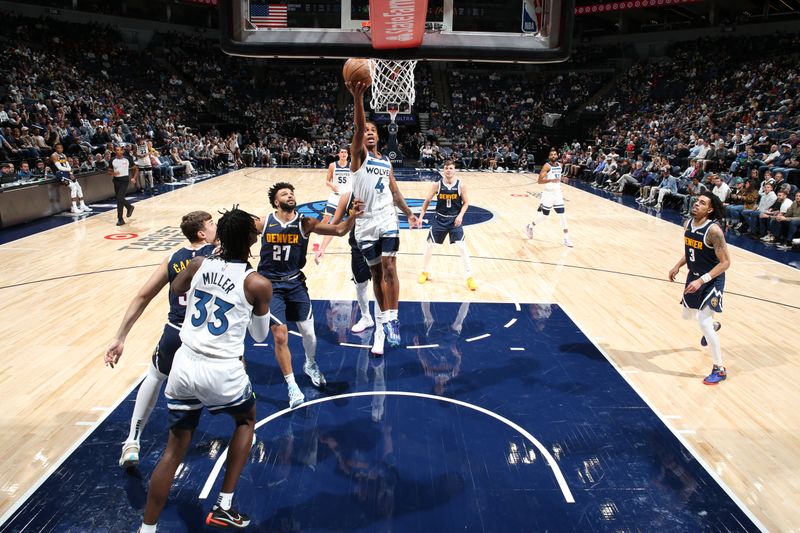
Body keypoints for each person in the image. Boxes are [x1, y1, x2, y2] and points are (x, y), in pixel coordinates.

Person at [139, 207, 273, 532]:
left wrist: (209, 269)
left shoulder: (199, 263)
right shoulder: (256, 282)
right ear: (251, 240)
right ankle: (224, 505)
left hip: (184, 365)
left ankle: (147, 528)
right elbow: (259, 336)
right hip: (221, 369)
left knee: (173, 450)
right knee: (245, 420)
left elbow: (176, 289)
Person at [104, 211, 217, 469]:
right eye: (211, 224)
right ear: (202, 233)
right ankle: (242, 427)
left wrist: (120, 337)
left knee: (154, 377)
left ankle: (132, 441)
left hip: (174, 332)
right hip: (205, 336)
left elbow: (143, 297)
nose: (216, 226)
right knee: (232, 376)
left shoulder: (174, 258)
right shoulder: (218, 255)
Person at [256, 182, 362, 407]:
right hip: (271, 286)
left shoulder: (305, 223)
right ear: (276, 201)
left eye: (292, 192)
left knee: (309, 334)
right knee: (281, 335)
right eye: (285, 194)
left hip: (295, 284)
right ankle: (292, 385)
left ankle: (310, 363)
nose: (290, 195)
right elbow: (236, 233)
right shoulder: (264, 223)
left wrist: (352, 215)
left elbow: (339, 230)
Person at [345, 80, 419, 353]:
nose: (369, 133)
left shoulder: (386, 162)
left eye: (373, 130)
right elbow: (357, 128)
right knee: (376, 272)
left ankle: (393, 319)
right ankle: (384, 318)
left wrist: (410, 213)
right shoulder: (357, 157)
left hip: (387, 216)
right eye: (365, 131)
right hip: (365, 223)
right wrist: (358, 98)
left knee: (390, 267)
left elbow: (396, 192)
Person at [668, 192, 731, 385]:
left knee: (703, 322)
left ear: (709, 210)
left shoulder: (714, 231)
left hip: (712, 279)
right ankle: (713, 327)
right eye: (696, 201)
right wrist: (678, 265)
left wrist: (702, 280)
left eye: (702, 203)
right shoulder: (688, 224)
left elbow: (726, 263)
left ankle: (719, 369)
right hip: (693, 276)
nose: (696, 204)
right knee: (687, 316)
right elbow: (691, 250)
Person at [315, 190, 375, 335]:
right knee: (361, 285)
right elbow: (335, 226)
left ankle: (384, 320)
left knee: (382, 284)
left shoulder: (379, 192)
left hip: (377, 245)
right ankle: (367, 317)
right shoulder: (347, 197)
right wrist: (322, 247)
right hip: (357, 247)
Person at [415, 160, 477, 291]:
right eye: (446, 168)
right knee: (429, 246)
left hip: (454, 221)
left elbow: (466, 203)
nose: (449, 170)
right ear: (443, 170)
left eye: (451, 168)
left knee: (462, 247)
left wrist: (460, 216)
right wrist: (421, 217)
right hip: (440, 220)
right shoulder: (437, 185)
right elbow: (427, 201)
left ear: (454, 170)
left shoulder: (461, 185)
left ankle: (469, 277)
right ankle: (424, 271)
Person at [525, 148, 573, 247]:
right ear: (549, 156)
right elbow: (539, 181)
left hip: (557, 193)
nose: (553, 156)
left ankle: (566, 238)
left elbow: (558, 178)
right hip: (548, 194)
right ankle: (530, 226)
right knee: (545, 216)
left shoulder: (560, 165)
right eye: (551, 155)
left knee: (562, 216)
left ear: (557, 155)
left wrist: (563, 179)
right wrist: (550, 180)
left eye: (555, 154)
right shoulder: (547, 166)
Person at [52, 143, 92, 214]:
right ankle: (74, 207)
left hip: (67, 172)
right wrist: (69, 170)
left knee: (79, 187)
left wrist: (70, 173)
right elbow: (59, 167)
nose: (60, 149)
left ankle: (82, 205)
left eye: (61, 148)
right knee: (73, 187)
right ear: (55, 149)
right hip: (60, 173)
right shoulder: (54, 155)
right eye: (58, 148)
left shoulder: (64, 155)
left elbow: (68, 166)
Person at [109, 145, 137, 226]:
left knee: (119, 198)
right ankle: (120, 219)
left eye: (119, 150)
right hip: (116, 180)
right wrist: (113, 173)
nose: (118, 151)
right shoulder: (112, 160)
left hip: (124, 180)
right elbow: (109, 171)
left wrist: (134, 177)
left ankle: (129, 207)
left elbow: (136, 168)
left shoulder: (127, 159)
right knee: (119, 200)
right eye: (116, 150)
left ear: (123, 151)